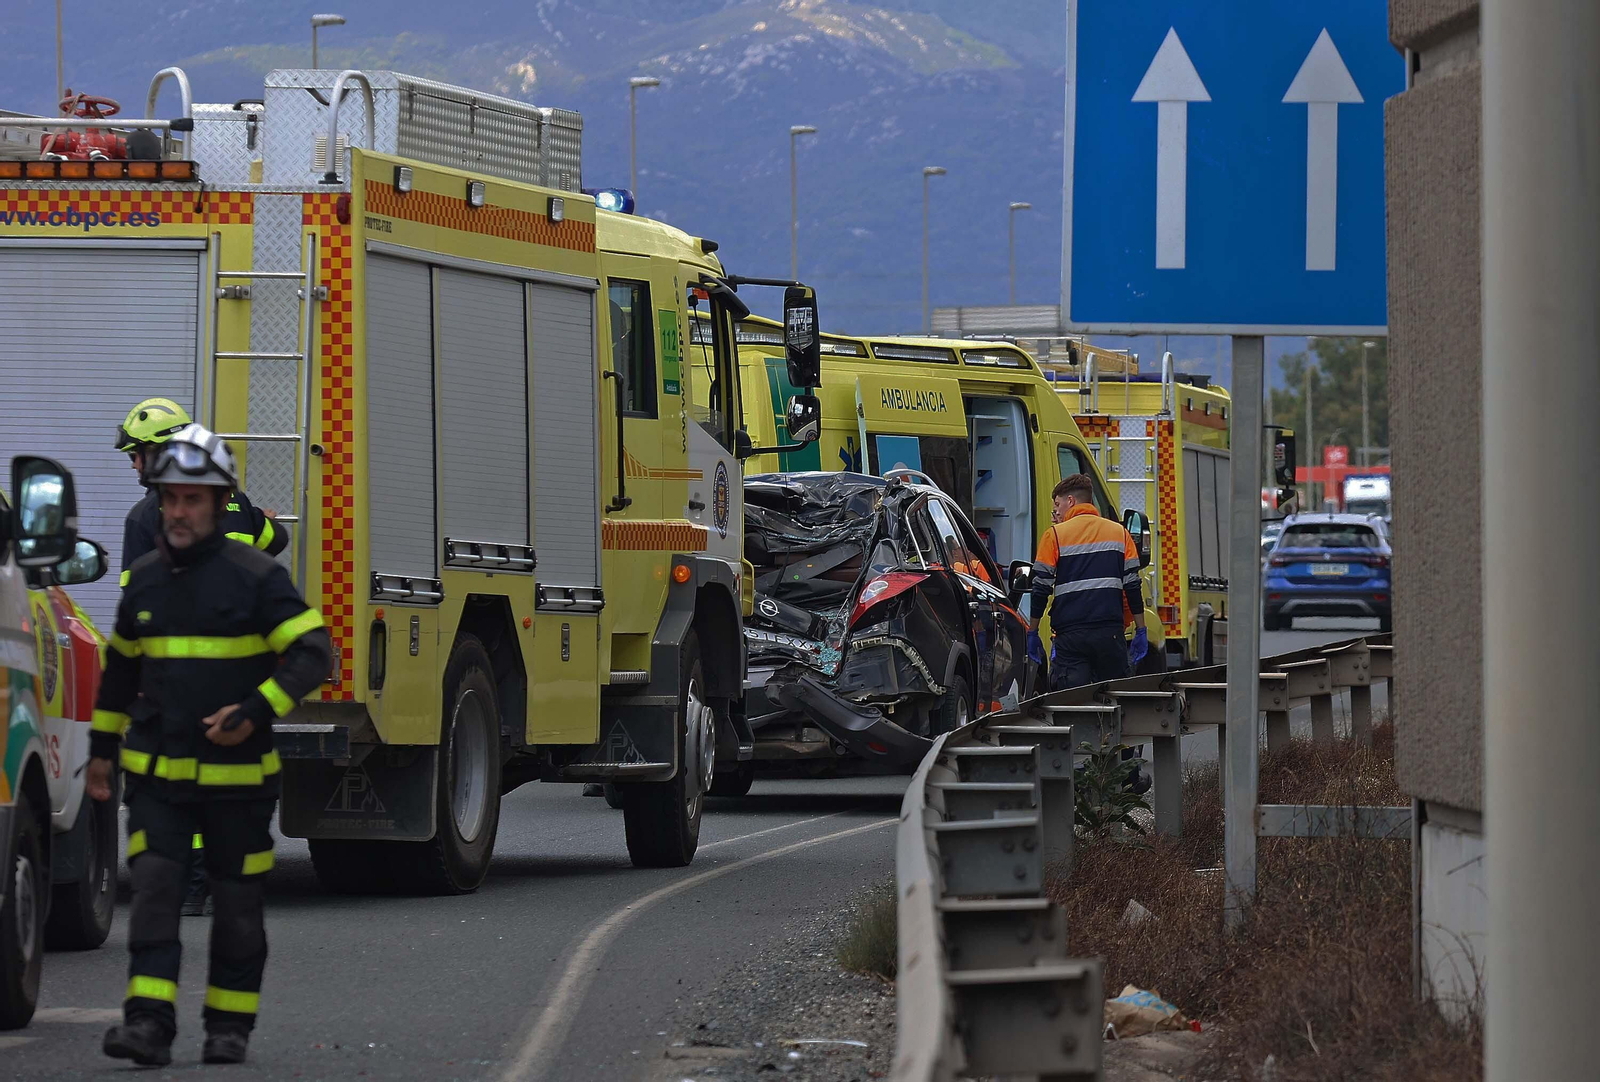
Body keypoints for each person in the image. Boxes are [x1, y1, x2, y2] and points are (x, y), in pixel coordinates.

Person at [88, 424, 331, 1067]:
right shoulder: (141, 581)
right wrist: (99, 757)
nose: (178, 511)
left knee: (238, 907)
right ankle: (147, 1026)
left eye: (193, 499)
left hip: (239, 783)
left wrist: (255, 711)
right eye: (169, 499)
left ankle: (229, 1029)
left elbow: (313, 654)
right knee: (156, 893)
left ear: (221, 501)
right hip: (157, 781)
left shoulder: (256, 579)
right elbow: (118, 675)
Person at [114, 397, 290, 916]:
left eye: (138, 453)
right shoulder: (231, 501)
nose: (133, 464)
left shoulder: (147, 515)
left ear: (163, 450)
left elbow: (135, 603)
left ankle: (191, 886)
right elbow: (273, 537)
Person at [1027, 474, 1148, 690]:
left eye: (1058, 504)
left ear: (1070, 501)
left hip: (1070, 637)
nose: (1057, 511)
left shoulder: (1054, 535)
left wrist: (1033, 631)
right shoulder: (1120, 533)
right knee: (1114, 700)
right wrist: (1141, 630)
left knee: (1072, 702)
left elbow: (1040, 589)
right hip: (1110, 634)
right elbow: (1132, 586)